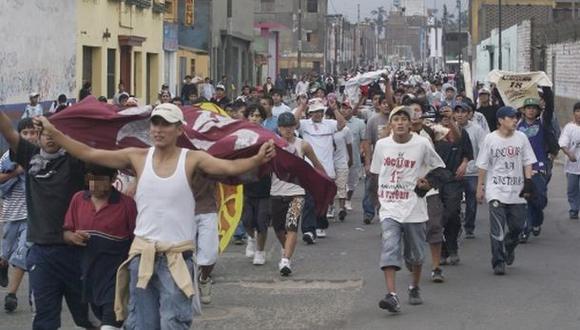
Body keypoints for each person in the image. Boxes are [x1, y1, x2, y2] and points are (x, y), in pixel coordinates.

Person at [33, 103, 276, 329]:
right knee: (142, 324)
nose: (159, 130)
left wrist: (256, 159)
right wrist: (54, 133)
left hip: (176, 257)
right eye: (155, 124)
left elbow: (229, 168)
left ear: (179, 129)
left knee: (173, 323)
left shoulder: (192, 159)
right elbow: (89, 153)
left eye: (166, 124)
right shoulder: (137, 157)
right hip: (142, 257)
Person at [0, 110, 96, 328]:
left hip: (76, 253)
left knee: (89, 318)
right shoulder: (30, 155)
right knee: (45, 320)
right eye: (45, 132)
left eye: (56, 133)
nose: (50, 137)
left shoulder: (77, 160)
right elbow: (7, 130)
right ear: (37, 136)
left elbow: (102, 180)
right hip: (41, 254)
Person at [370, 106, 446, 313]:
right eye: (397, 119)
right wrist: (377, 201)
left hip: (414, 207)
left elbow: (439, 168)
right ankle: (392, 295)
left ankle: (414, 286)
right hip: (389, 207)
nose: (401, 123)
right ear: (391, 124)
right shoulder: (382, 145)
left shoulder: (421, 143)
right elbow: (376, 173)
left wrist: (428, 183)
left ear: (410, 123)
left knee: (415, 255)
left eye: (404, 119)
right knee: (390, 247)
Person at [63, 164, 137, 330]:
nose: (95, 185)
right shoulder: (78, 199)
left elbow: (136, 240)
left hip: (116, 278)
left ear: (112, 180)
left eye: (101, 180)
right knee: (89, 322)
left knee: (110, 325)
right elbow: (66, 232)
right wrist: (72, 237)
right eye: (91, 180)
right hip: (86, 278)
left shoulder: (127, 205)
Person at [476, 106, 536, 275]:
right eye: (511, 118)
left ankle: (509, 247)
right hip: (496, 189)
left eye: (516, 118)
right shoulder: (490, 139)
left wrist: (529, 181)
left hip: (517, 190)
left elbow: (527, 161)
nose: (515, 120)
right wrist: (480, 186)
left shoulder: (522, 138)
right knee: (497, 228)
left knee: (517, 227)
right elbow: (483, 164)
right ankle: (498, 261)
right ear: (501, 120)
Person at [271, 112, 325, 276]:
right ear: (279, 128)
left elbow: (316, 164)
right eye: (284, 127)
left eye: (290, 126)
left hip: (297, 192)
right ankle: (285, 248)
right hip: (276, 191)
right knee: (279, 229)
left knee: (292, 225)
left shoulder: (303, 145)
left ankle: (286, 260)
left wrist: (324, 181)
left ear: (295, 127)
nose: (287, 130)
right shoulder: (272, 144)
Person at [294, 98, 346, 241]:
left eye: (320, 111)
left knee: (322, 200)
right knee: (309, 201)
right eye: (314, 112)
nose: (317, 114)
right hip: (309, 169)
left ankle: (320, 224)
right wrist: (301, 106)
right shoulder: (304, 125)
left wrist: (335, 109)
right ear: (310, 113)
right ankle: (308, 230)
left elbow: (342, 124)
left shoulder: (329, 124)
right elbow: (293, 123)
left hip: (326, 169)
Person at [0, 118, 38, 312]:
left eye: (33, 132)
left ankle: (12, 294)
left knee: (23, 252)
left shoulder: (40, 155)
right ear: (19, 135)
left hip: (32, 216)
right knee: (5, 253)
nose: (30, 136)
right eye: (26, 133)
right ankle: (3, 264)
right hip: (11, 214)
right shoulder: (7, 157)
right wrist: (16, 173)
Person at [434, 105, 473, 265]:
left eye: (448, 114)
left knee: (451, 213)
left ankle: (453, 247)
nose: (445, 116)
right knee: (437, 216)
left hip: (453, 180)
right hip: (435, 180)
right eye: (442, 114)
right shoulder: (433, 133)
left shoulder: (461, 133)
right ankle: (442, 249)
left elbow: (467, 153)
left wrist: (464, 164)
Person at [241, 104, 273, 265]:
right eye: (252, 115)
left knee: (262, 221)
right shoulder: (241, 136)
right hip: (245, 182)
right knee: (246, 220)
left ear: (263, 118)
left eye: (258, 115)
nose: (255, 118)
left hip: (264, 183)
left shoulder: (268, 135)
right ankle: (251, 239)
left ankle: (260, 251)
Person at [455, 103, 487, 238]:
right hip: (455, 172)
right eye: (457, 112)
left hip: (472, 172)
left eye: (463, 112)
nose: (460, 115)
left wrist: (481, 171)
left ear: (469, 114)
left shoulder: (477, 130)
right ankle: (455, 226)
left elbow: (483, 150)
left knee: (471, 202)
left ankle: (469, 227)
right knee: (453, 201)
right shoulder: (449, 129)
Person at [191, 172, 219, 304]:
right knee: (184, 254)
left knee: (210, 254)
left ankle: (204, 279)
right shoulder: (176, 154)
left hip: (207, 208)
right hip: (183, 209)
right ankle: (187, 286)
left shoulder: (213, 154)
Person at [362, 94, 391, 224]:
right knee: (371, 187)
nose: (386, 105)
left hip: (392, 162)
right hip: (377, 161)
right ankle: (368, 212)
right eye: (383, 103)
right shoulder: (373, 120)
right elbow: (367, 142)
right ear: (379, 105)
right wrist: (367, 162)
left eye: (388, 103)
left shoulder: (397, 119)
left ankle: (384, 213)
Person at [326, 107, 353, 221]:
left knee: (341, 185)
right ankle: (330, 206)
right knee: (330, 186)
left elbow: (349, 145)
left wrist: (351, 158)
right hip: (328, 162)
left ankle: (342, 208)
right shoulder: (325, 130)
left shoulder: (345, 130)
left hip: (341, 161)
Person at [343, 101, 367, 211]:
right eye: (342, 108)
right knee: (340, 182)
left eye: (347, 108)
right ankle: (337, 204)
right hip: (339, 158)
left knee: (352, 183)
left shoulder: (360, 123)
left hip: (354, 157)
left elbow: (363, 140)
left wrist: (362, 150)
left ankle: (348, 200)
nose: (344, 110)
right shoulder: (336, 123)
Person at [559, 102, 580, 220]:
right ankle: (574, 209)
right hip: (572, 166)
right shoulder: (569, 127)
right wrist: (568, 153)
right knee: (572, 189)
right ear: (574, 113)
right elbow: (562, 143)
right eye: (578, 111)